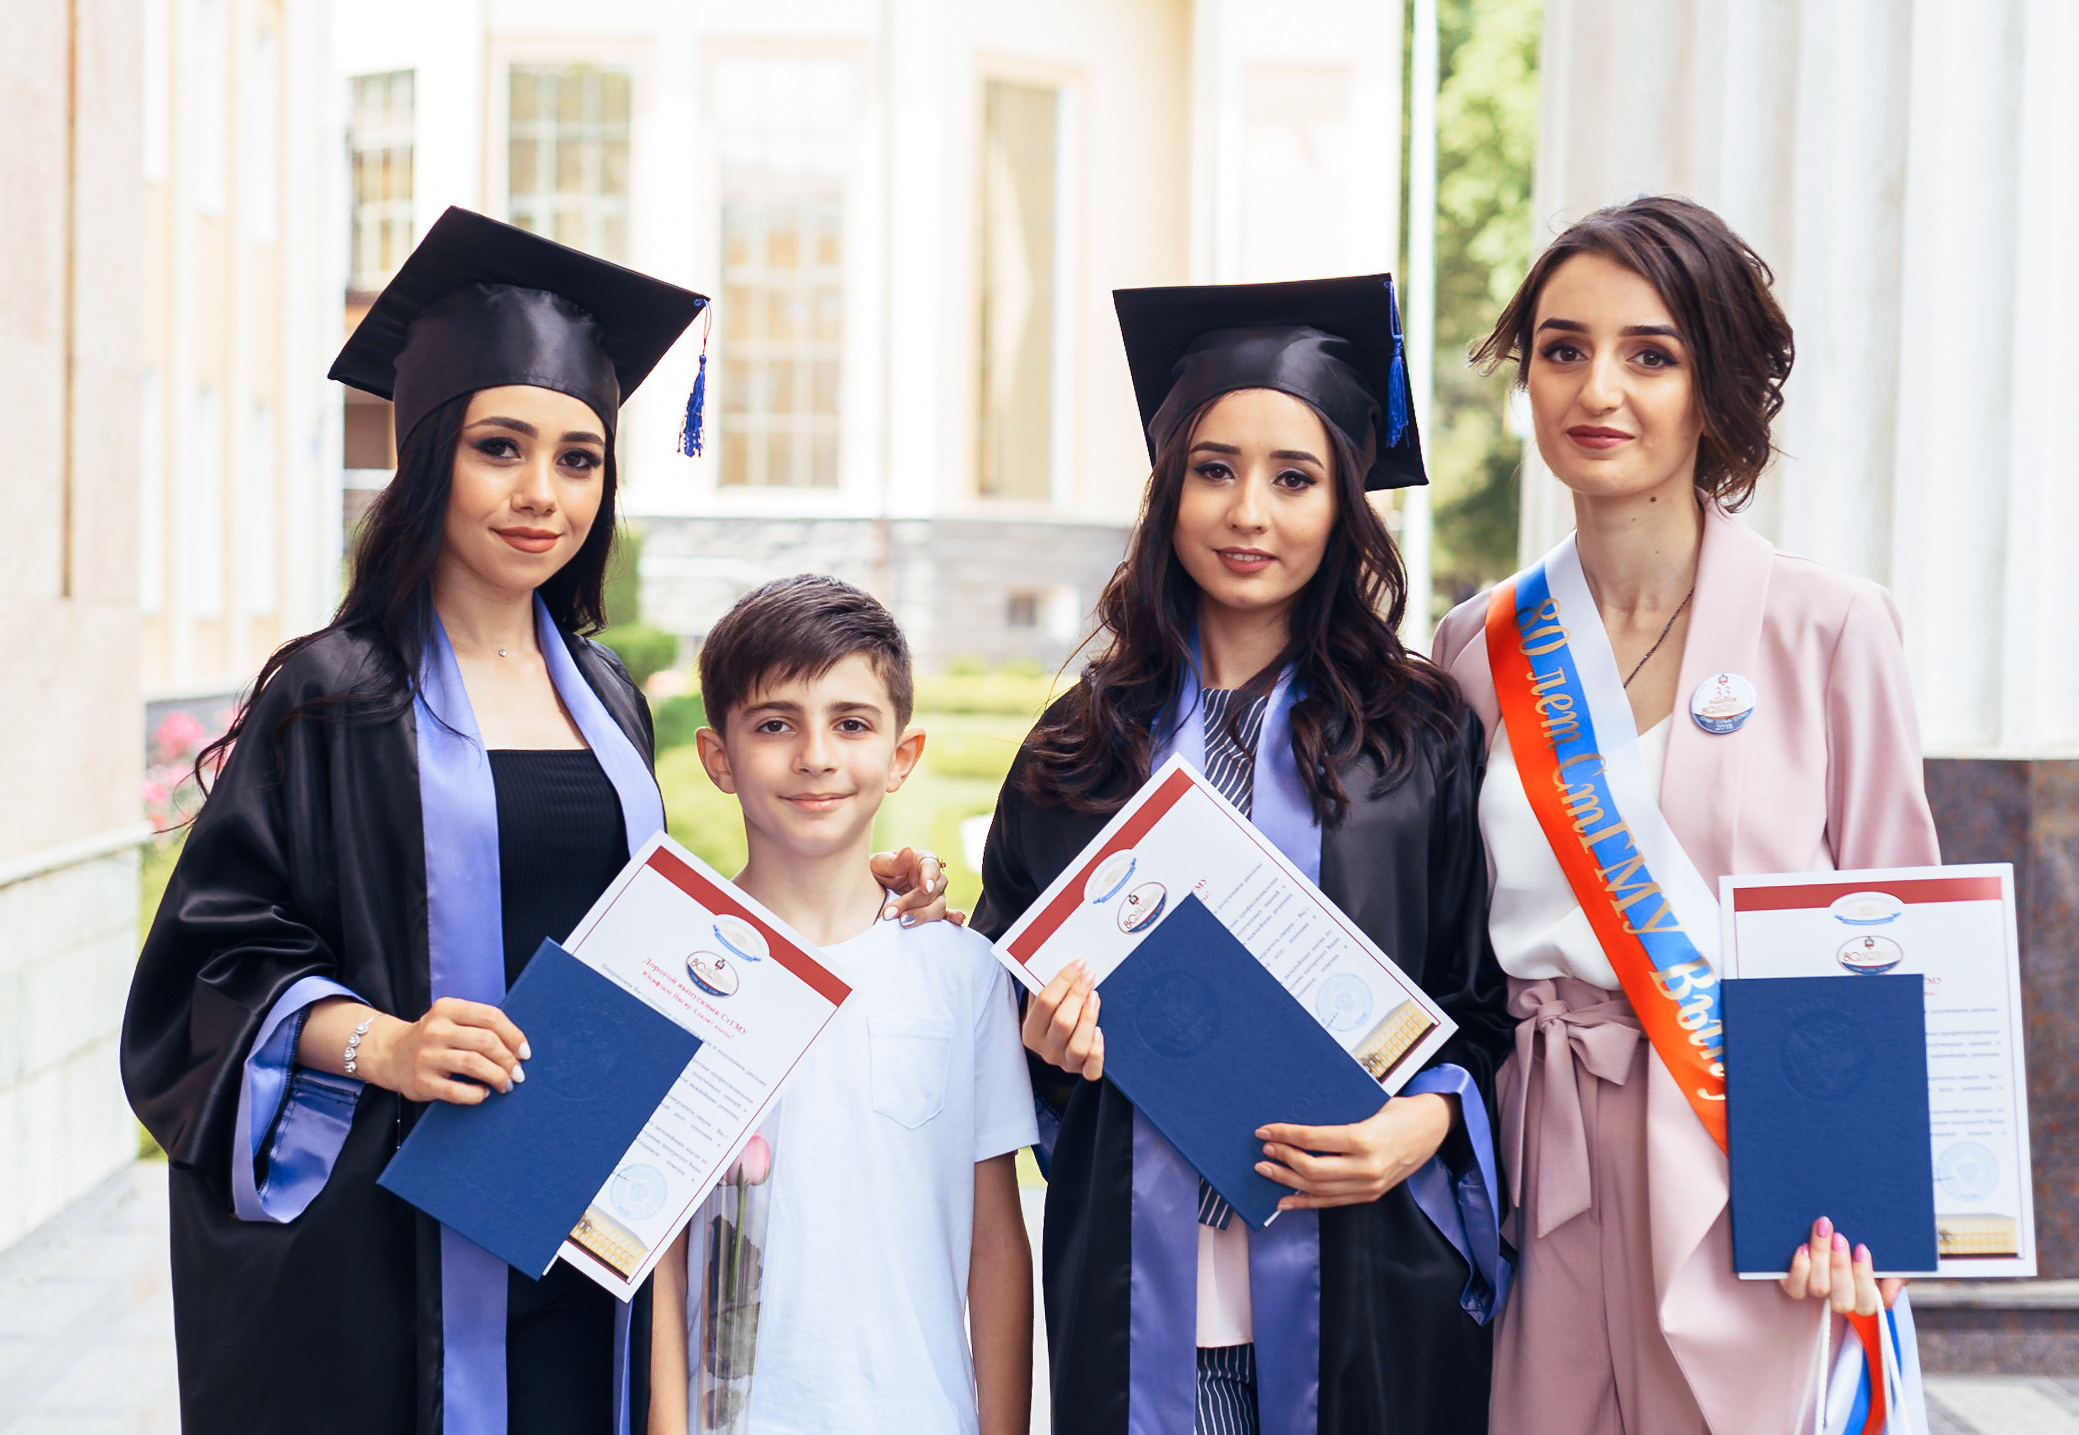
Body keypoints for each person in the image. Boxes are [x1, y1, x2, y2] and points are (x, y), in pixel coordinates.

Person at [120, 208, 954, 1435]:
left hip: (578, 1211)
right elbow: (208, 965)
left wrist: (856, 883)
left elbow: (635, 916)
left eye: (578, 457)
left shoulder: (606, 694)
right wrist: (384, 1044)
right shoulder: (338, 693)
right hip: (386, 1241)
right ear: (428, 456)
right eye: (500, 447)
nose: (540, 493)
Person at [973, 277, 1516, 1435]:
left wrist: (1420, 1123)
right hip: (1136, 1299)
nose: (1249, 514)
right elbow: (999, 1009)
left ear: (1342, 505)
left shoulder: (1417, 738)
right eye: (1214, 470)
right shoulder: (1078, 750)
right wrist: (1043, 1039)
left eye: (1294, 478)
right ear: (1169, 491)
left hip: (1368, 1287)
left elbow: (1483, 1005)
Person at [1433, 194, 1936, 1434]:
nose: (1597, 386)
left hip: (1754, 1168)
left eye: (1648, 353)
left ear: (1712, 386)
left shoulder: (1829, 626)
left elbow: (1893, 929)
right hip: (1538, 1162)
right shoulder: (1472, 648)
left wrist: (1856, 1198)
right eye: (1563, 349)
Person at [644, 575, 1039, 1435]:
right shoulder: (675, 968)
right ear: (718, 756)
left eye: (852, 723)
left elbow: (995, 1243)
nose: (815, 754)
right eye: (775, 723)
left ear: (903, 755)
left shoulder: (965, 973)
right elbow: (657, 1241)